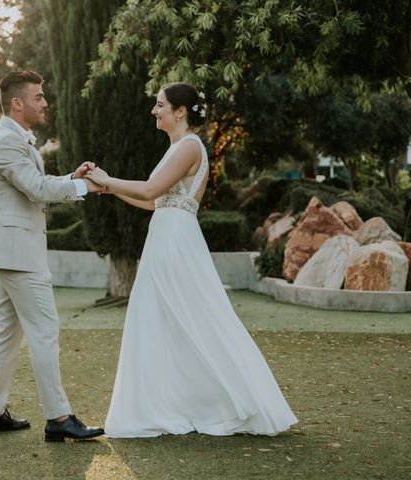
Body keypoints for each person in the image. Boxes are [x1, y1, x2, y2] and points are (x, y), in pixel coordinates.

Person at [85, 82, 298, 438]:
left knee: (192, 317)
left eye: (160, 105)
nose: (155, 111)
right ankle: (173, 402)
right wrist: (111, 189)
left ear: (180, 111)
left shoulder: (188, 146)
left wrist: (108, 178)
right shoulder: (178, 148)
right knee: (165, 319)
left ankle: (228, 401)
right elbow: (155, 202)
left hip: (174, 242)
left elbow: (152, 191)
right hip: (166, 234)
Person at [0, 70, 104, 442]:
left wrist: (70, 177)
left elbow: (31, 186)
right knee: (44, 331)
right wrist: (85, 185)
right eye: (38, 97)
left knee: (6, 332)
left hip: (13, 251)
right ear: (17, 103)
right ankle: (58, 417)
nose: (44, 102)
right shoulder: (5, 141)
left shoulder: (13, 139)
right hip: (19, 255)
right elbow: (35, 190)